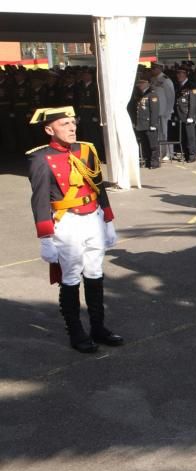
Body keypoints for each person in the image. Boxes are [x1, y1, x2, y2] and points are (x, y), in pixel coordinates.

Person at [26, 106, 123, 353]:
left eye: (73, 123)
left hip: (93, 218)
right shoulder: (40, 158)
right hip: (66, 222)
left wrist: (108, 220)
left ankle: (98, 327)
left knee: (94, 271)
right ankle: (76, 332)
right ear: (49, 129)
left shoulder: (86, 149)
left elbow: (98, 186)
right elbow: (39, 200)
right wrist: (46, 237)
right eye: (64, 124)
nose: (72, 128)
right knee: (70, 277)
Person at [128, 75, 161, 169]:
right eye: (139, 83)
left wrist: (153, 124)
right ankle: (148, 161)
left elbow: (154, 111)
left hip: (149, 123)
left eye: (142, 83)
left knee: (153, 145)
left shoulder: (152, 94)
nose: (140, 85)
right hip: (141, 124)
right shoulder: (139, 94)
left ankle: (154, 162)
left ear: (148, 83)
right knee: (145, 144)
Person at [174, 68, 196, 163]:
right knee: (183, 137)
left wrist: (191, 116)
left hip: (188, 115)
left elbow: (193, 103)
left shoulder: (192, 86)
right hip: (180, 115)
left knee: (190, 137)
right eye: (178, 74)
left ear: (186, 75)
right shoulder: (179, 85)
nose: (179, 76)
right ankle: (186, 154)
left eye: (181, 74)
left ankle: (192, 155)